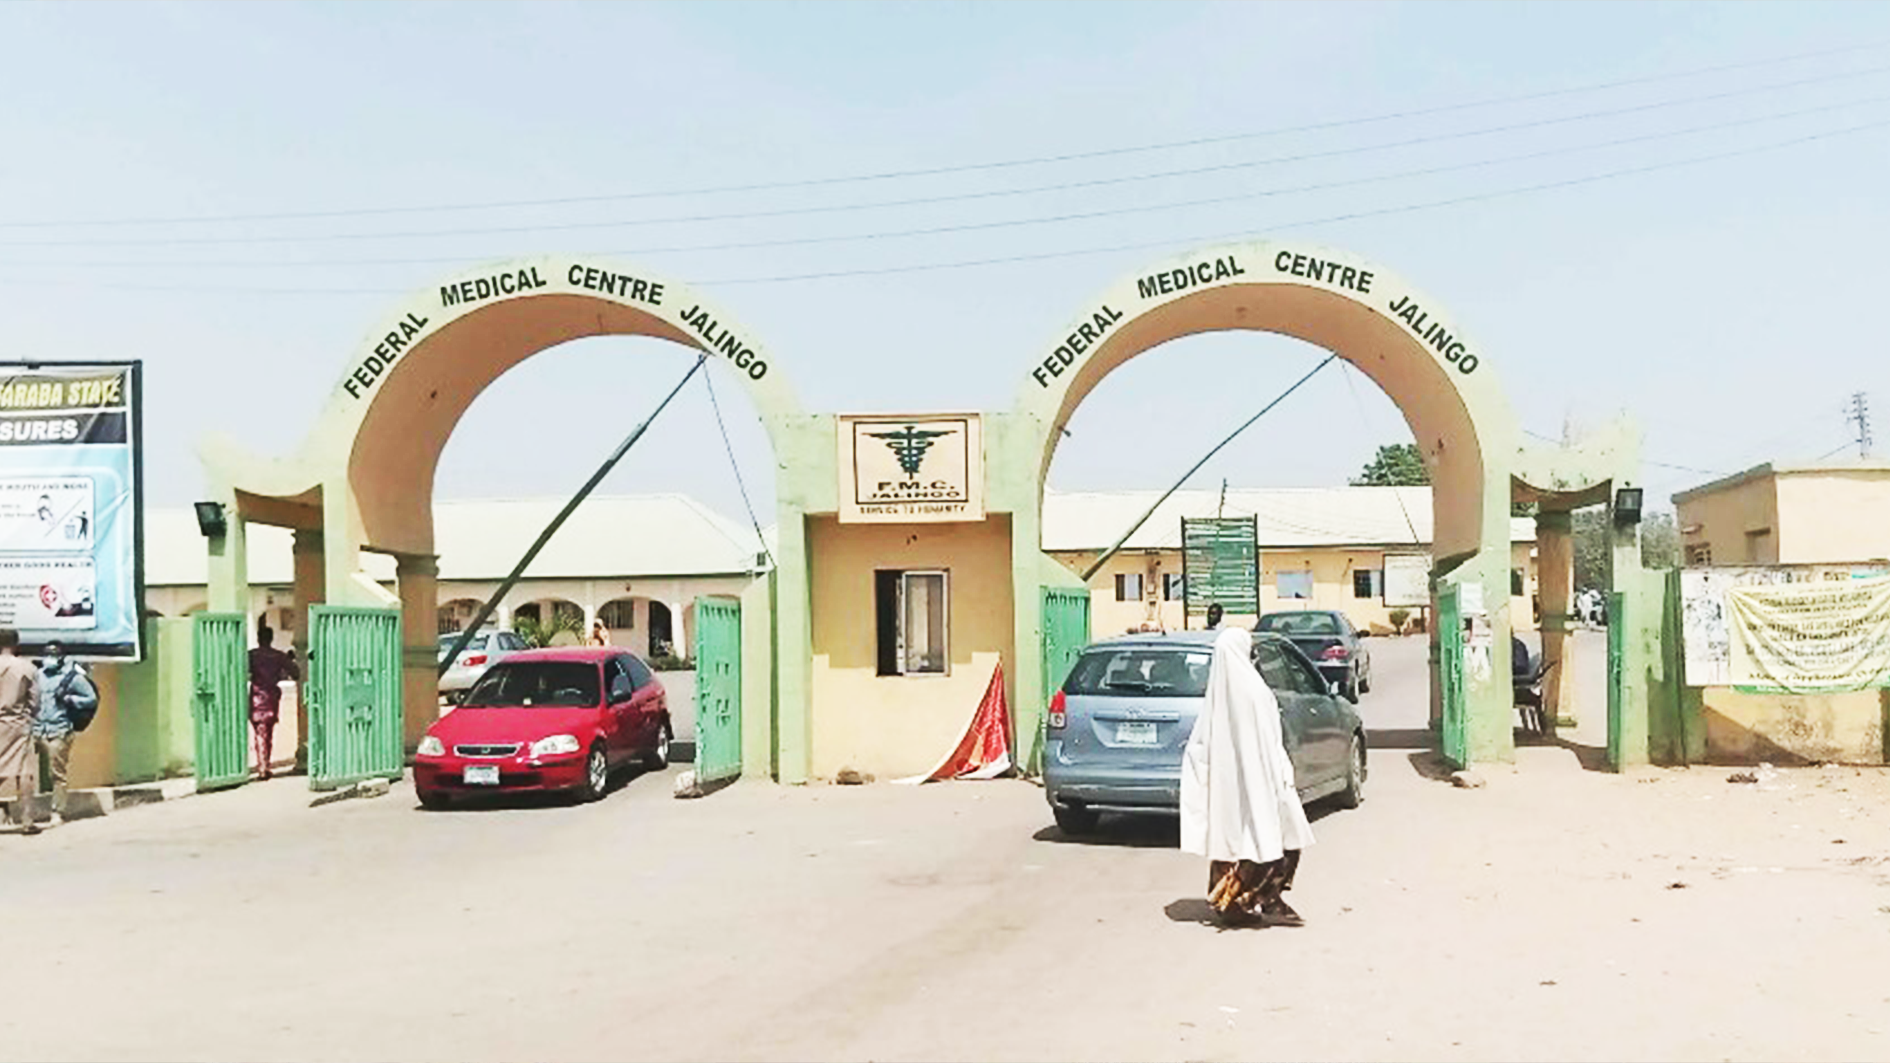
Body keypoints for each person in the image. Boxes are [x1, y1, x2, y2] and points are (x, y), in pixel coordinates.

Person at [1180, 626, 1316, 926]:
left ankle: (1237, 902)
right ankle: (1261, 897)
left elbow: (1199, 747)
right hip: (1261, 781)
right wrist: (1281, 773)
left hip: (1228, 788)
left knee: (1230, 842)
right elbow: (1269, 739)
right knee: (1282, 836)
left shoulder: (1216, 698)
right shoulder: (1255, 692)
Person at [33, 641, 95, 828]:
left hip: (59, 730)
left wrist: (70, 699)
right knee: (23, 770)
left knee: (56, 773)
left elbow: (91, 699)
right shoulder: (38, 675)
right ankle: (29, 812)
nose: (49, 659)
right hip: (37, 729)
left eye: (53, 654)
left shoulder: (72, 677)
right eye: (47, 654)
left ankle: (57, 812)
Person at [0, 629, 40, 834]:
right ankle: (27, 822)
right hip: (17, 725)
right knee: (24, 773)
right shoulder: (27, 667)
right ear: (15, 645)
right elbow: (35, 702)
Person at [248, 625, 299, 781]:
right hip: (271, 697)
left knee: (259, 732)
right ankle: (265, 765)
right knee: (268, 732)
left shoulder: (251, 655)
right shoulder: (278, 656)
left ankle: (263, 766)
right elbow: (295, 673)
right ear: (271, 639)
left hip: (257, 696)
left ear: (258, 638)